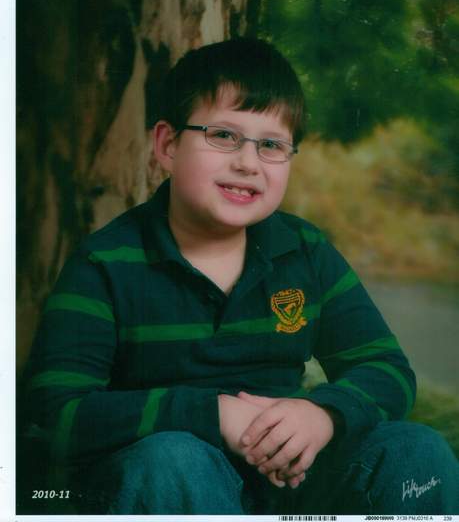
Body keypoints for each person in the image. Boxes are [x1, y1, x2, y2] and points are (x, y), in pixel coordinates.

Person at [24, 37, 459, 515]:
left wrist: (322, 414)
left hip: (290, 483)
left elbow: (387, 368)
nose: (248, 163)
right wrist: (211, 414)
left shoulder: (305, 251)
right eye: (224, 136)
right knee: (174, 459)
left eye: (271, 145)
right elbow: (56, 413)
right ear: (167, 145)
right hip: (167, 485)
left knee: (416, 450)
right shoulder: (105, 263)